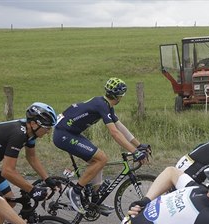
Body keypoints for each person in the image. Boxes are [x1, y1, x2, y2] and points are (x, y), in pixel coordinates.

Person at [54, 77, 149, 215]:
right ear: (119, 96)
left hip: (70, 132)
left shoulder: (105, 104)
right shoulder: (102, 105)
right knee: (101, 158)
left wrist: (139, 145)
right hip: (63, 134)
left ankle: (95, 199)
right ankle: (74, 191)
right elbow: (115, 133)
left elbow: (119, 126)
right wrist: (135, 152)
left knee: (97, 160)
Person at [0, 102, 60, 224]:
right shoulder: (19, 134)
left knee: (8, 202)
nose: (48, 132)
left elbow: (32, 157)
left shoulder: (30, 134)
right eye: (47, 128)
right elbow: (7, 171)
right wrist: (32, 190)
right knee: (4, 203)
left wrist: (48, 179)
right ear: (34, 124)